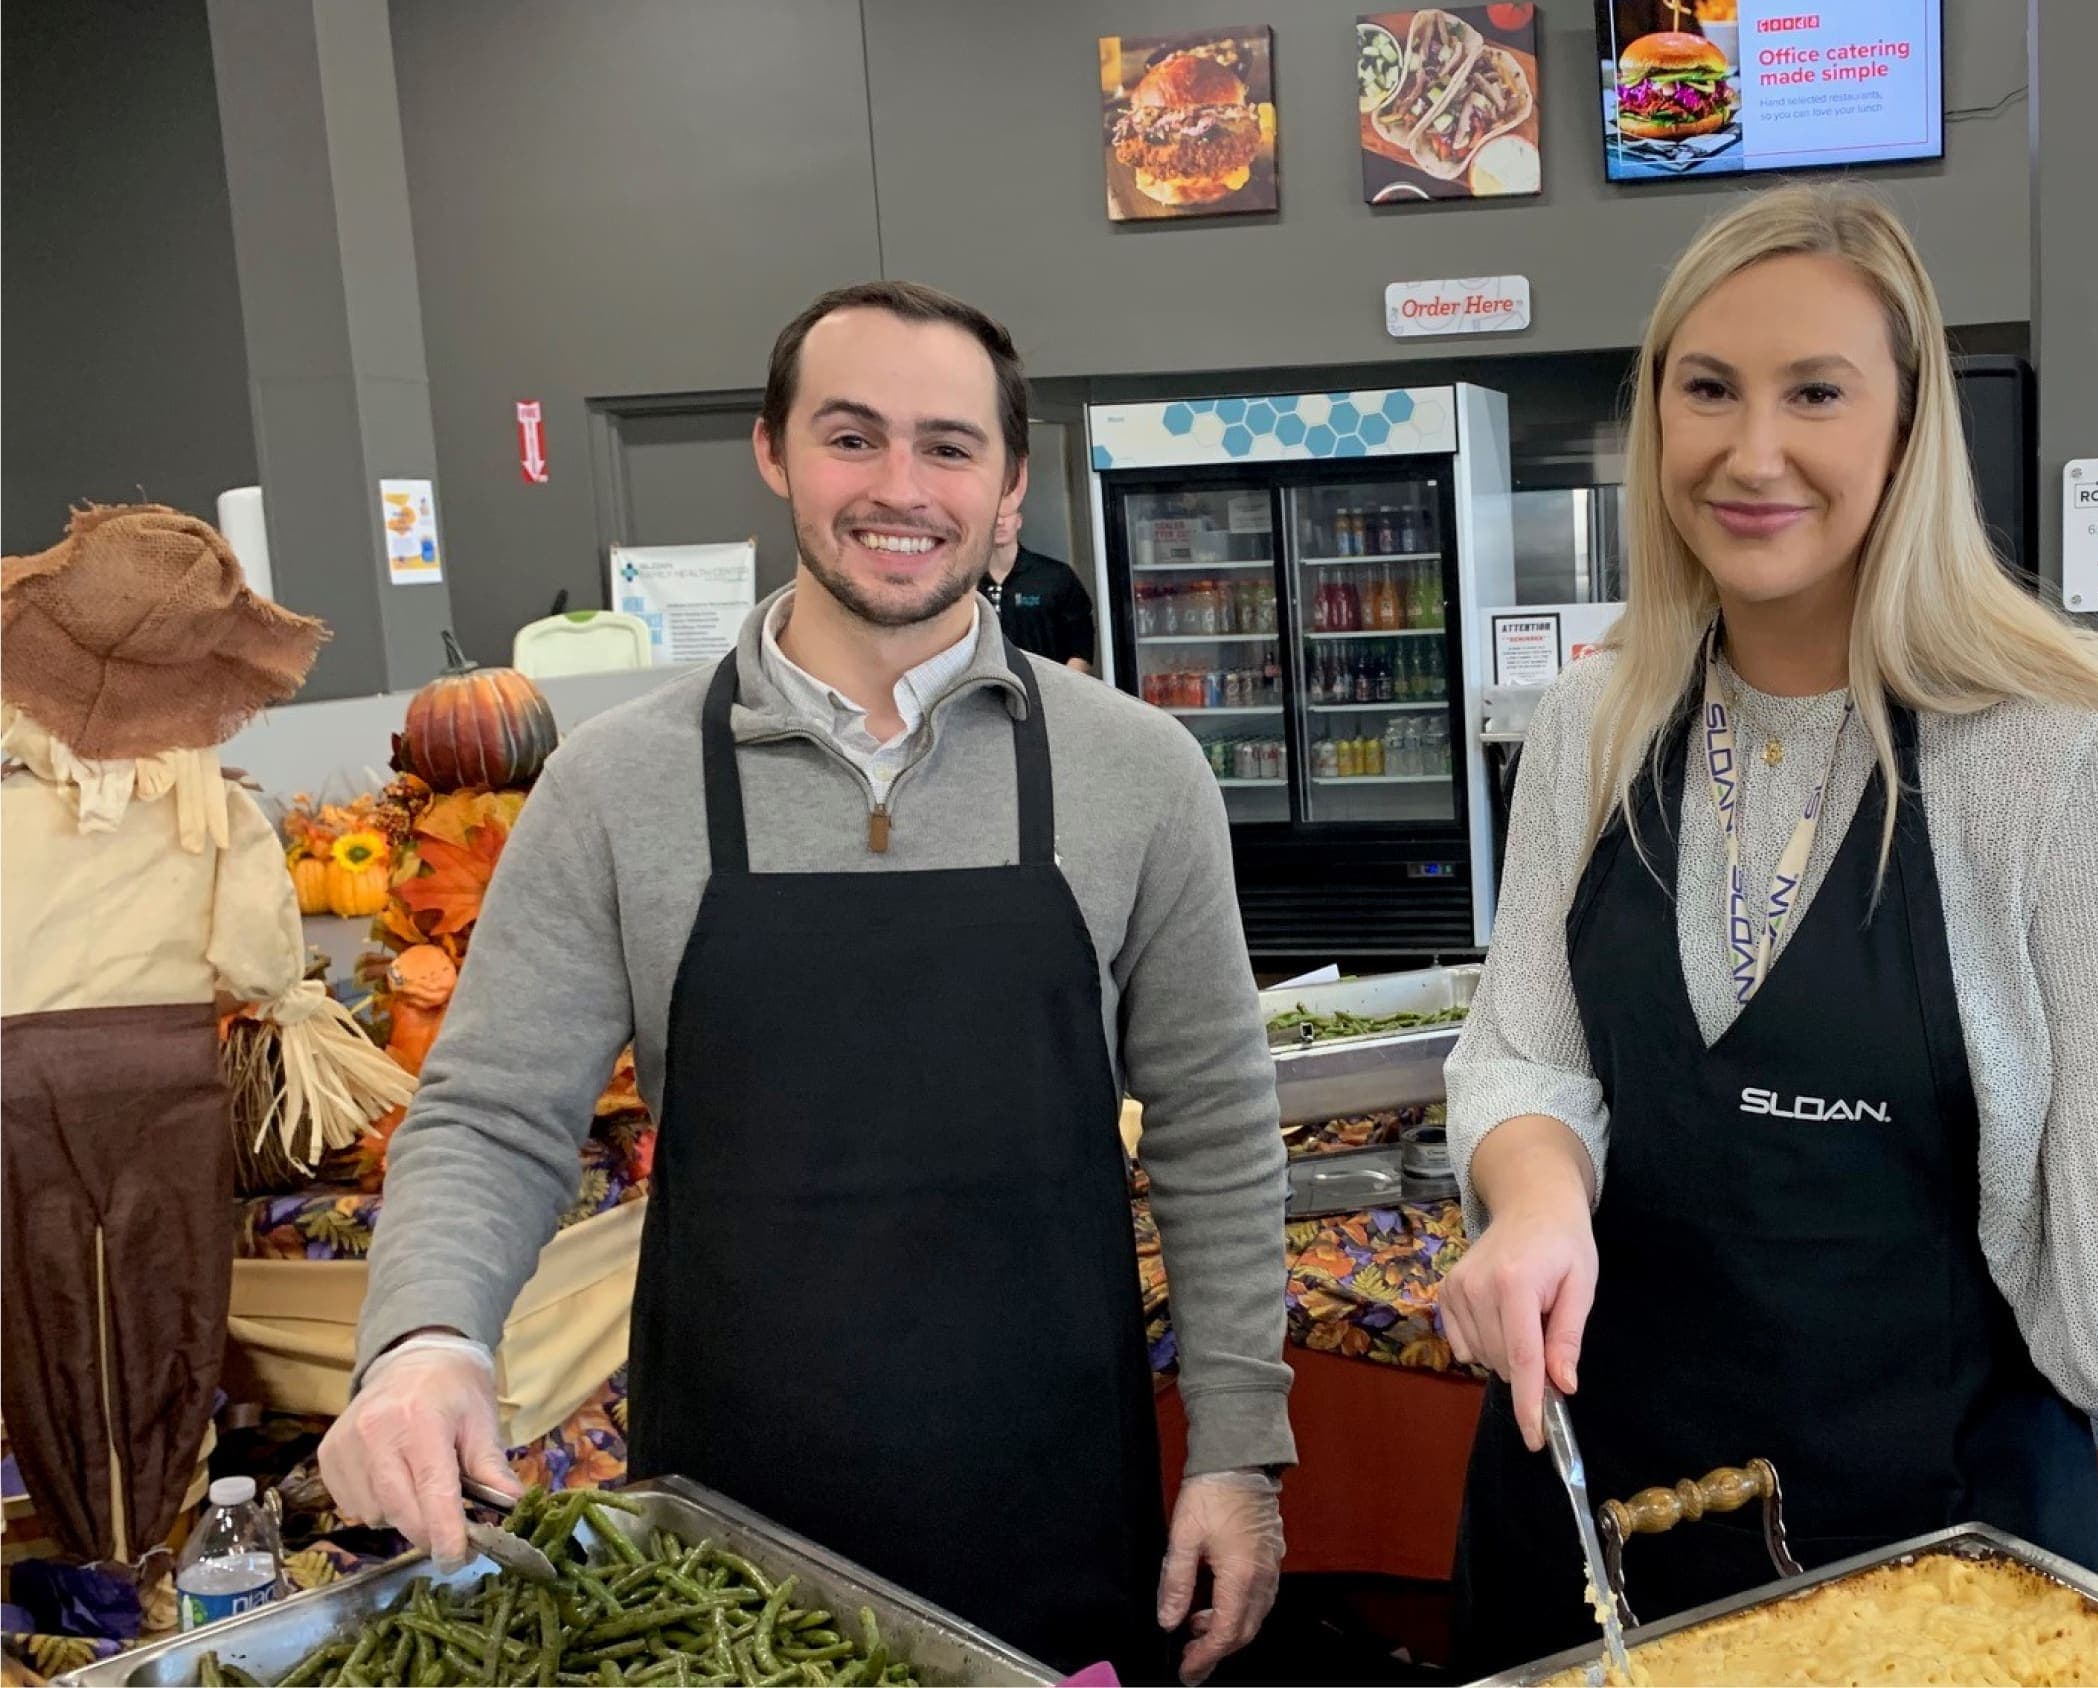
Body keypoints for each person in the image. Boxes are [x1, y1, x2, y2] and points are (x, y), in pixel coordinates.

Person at [324, 282, 1290, 1684]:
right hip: (731, 1539)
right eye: (853, 438)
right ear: (773, 453)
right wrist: (424, 1339)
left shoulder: (1138, 772)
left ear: (1011, 487)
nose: (901, 488)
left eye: (949, 447)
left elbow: (1214, 1129)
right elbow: (493, 1114)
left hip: (1057, 1494)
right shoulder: (615, 783)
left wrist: (1241, 1453)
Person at [1437, 185, 2098, 1673]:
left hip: (1937, 1562)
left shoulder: (2066, 768)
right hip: (1592, 1534)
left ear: (1904, 429)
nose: (1751, 453)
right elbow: (1521, 1055)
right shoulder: (1593, 726)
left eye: (1814, 392)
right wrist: (1540, 1194)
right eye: (1707, 390)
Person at [3, 505, 413, 1577]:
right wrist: (287, 1010)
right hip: (163, 1074)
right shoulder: (207, 800)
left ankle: (76, 1528)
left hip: (11, 1077)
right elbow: (259, 959)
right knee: (167, 1287)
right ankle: (153, 1530)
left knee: (34, 1293)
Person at [979, 501, 1099, 670]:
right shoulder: (965, 584)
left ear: (1019, 521)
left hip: (1049, 688)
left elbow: (1082, 645)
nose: (1000, 522)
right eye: (994, 515)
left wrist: (1060, 688)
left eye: (1006, 514)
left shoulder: (1055, 576)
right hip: (986, 690)